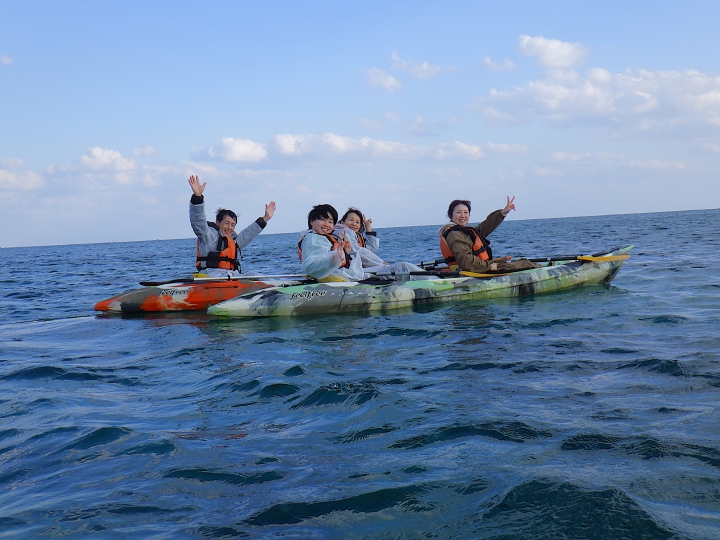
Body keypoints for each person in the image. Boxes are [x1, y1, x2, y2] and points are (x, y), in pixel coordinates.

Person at [188, 175, 276, 277]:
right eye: (226, 223)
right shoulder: (208, 236)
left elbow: (248, 234)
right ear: (218, 222)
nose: (230, 228)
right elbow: (198, 220)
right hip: (211, 277)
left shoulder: (234, 242)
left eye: (233, 225)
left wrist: (265, 218)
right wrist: (197, 197)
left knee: (255, 275)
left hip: (231, 277)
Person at [438, 197, 539, 273]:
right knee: (525, 263)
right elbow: (466, 262)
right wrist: (489, 266)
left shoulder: (462, 232)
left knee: (521, 261)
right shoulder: (455, 235)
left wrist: (503, 212)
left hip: (479, 266)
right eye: (459, 212)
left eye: (466, 212)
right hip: (477, 270)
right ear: (451, 215)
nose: (463, 216)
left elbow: (485, 226)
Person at [298, 204, 365, 282]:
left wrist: (346, 253)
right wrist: (334, 256)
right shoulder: (312, 238)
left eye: (330, 222)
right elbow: (310, 265)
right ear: (311, 221)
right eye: (323, 219)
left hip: (338, 274)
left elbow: (339, 263)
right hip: (328, 279)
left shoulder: (324, 238)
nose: (326, 224)